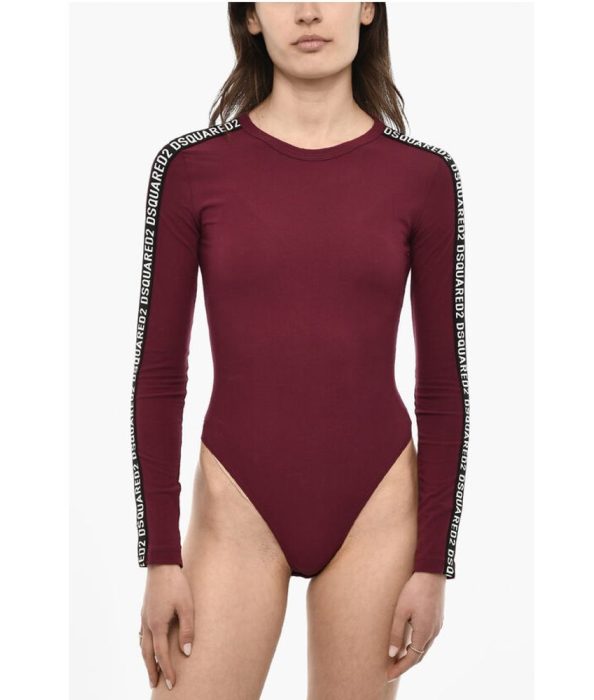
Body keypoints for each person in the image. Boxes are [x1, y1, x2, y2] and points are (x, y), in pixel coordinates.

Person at [130, 3, 470, 697]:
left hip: (377, 510)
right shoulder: (190, 169)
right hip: (236, 508)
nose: (309, 12)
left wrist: (433, 563)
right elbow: (160, 376)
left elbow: (442, 386)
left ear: (368, 8)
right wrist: (161, 555)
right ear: (250, 17)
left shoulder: (424, 177)